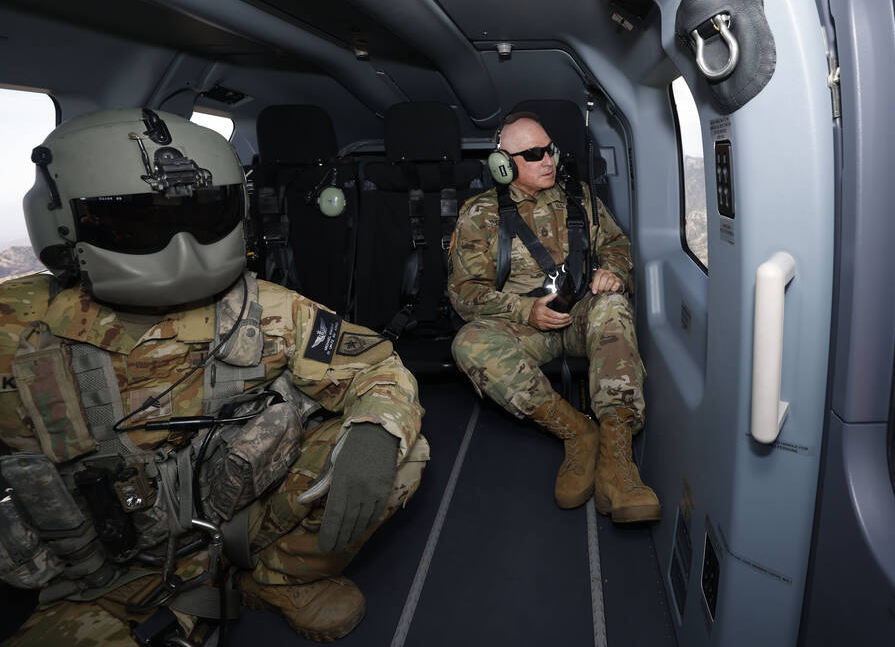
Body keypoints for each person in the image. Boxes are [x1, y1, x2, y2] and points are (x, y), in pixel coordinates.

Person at [0, 108, 428, 645]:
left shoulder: (270, 308)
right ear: (63, 225)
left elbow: (376, 368)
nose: (181, 245)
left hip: (239, 515)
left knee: (400, 454)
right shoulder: (16, 326)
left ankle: (275, 578)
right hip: (93, 577)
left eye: (206, 213)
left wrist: (375, 431)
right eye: (136, 221)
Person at [448, 111, 659, 523]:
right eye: (534, 154)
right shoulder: (480, 215)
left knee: (614, 308)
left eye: (551, 150)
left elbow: (618, 246)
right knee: (468, 344)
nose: (549, 160)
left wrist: (612, 271)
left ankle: (618, 461)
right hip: (522, 325)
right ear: (503, 165)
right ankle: (578, 433)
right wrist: (526, 310)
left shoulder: (578, 198)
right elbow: (464, 293)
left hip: (581, 315)